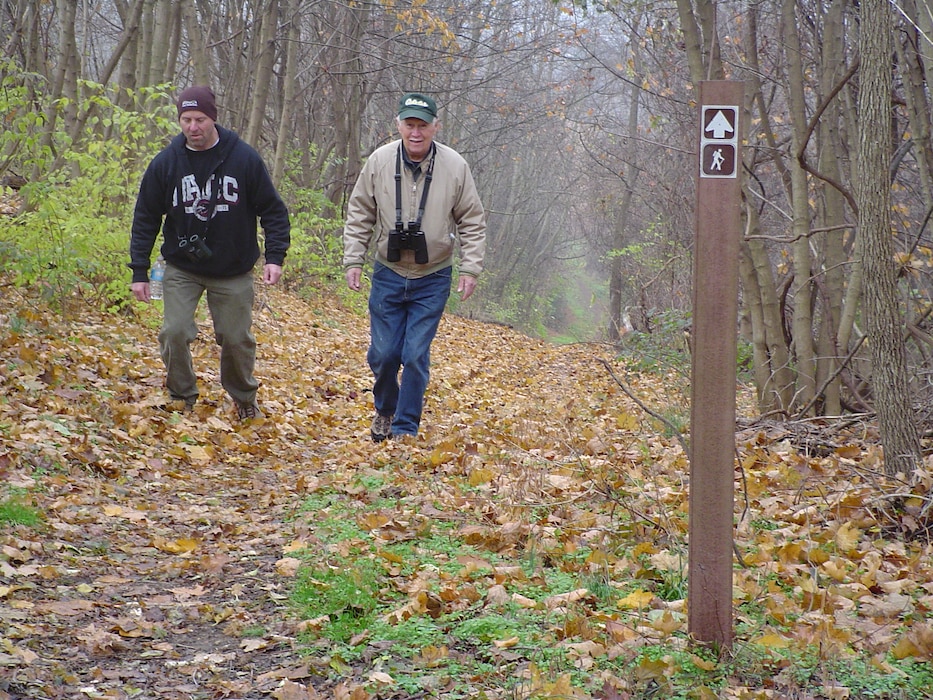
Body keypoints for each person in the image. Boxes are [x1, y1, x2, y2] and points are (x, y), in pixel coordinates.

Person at [129, 86, 290, 420]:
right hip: (181, 266)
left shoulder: (243, 159)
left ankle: (244, 397)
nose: (193, 127)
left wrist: (275, 256)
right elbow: (145, 217)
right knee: (173, 331)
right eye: (186, 119)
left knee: (235, 339)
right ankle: (181, 395)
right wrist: (139, 271)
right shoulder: (166, 163)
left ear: (213, 118)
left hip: (232, 269)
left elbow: (272, 211)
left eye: (200, 119)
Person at [343, 92, 486, 442]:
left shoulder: (455, 167)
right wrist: (353, 259)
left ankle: (405, 428)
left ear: (436, 127)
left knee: (415, 354)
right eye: (410, 125)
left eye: (423, 125)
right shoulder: (379, 161)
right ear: (399, 126)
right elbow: (360, 211)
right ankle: (385, 411)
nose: (416, 133)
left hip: (432, 275)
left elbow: (472, 220)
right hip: (387, 272)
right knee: (384, 353)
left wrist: (470, 269)